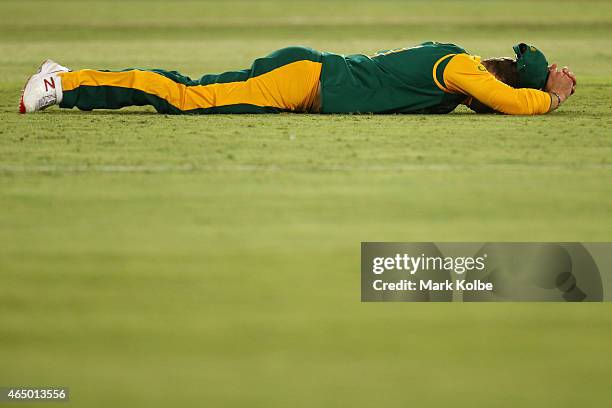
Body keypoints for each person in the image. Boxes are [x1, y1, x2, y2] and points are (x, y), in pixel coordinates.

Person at [19, 41, 576, 115]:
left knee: (192, 86)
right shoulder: (461, 69)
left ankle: (66, 76)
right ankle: (64, 86)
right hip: (306, 82)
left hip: (310, 74)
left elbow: (493, 100)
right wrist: (548, 99)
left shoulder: (459, 66)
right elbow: (512, 105)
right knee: (188, 98)